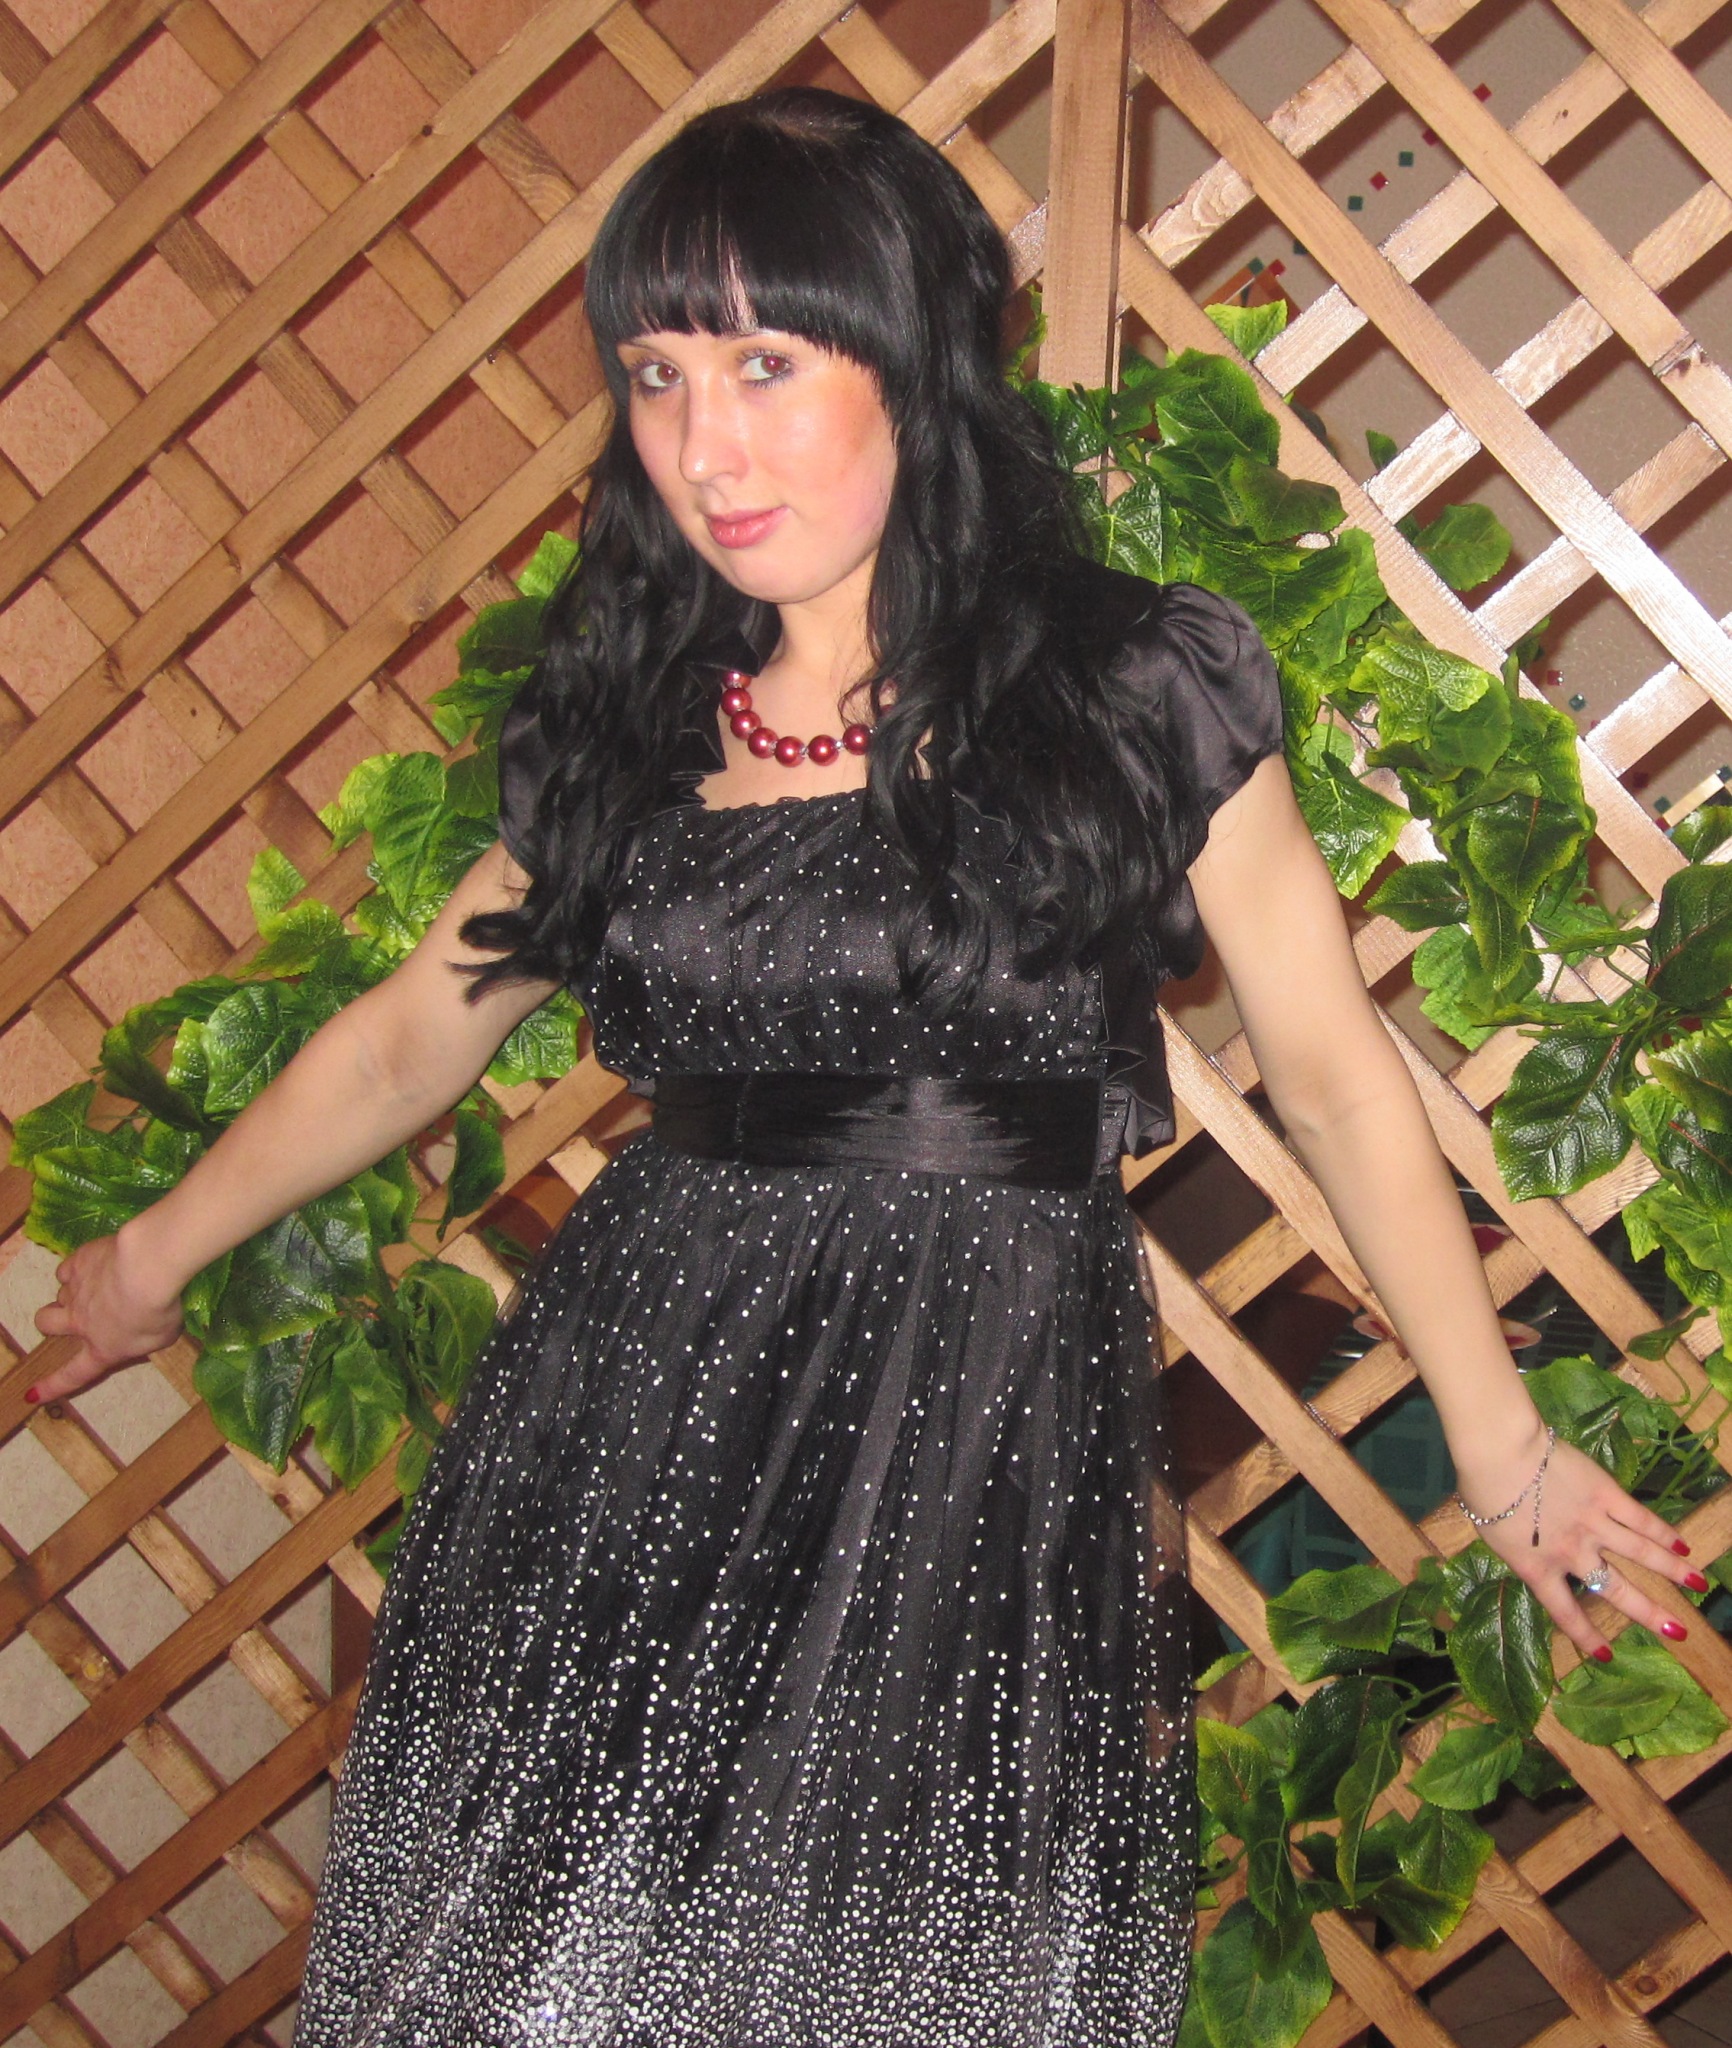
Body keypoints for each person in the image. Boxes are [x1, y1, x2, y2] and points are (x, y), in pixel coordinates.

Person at [31, 84, 1702, 2048]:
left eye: (763, 363)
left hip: (966, 1450)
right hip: (628, 1436)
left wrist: (1498, 1452)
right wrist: (146, 1260)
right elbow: (415, 1033)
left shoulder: (1128, 687)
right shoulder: (638, 716)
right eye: (655, 375)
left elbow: (1333, 1079)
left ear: (910, 361)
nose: (700, 446)